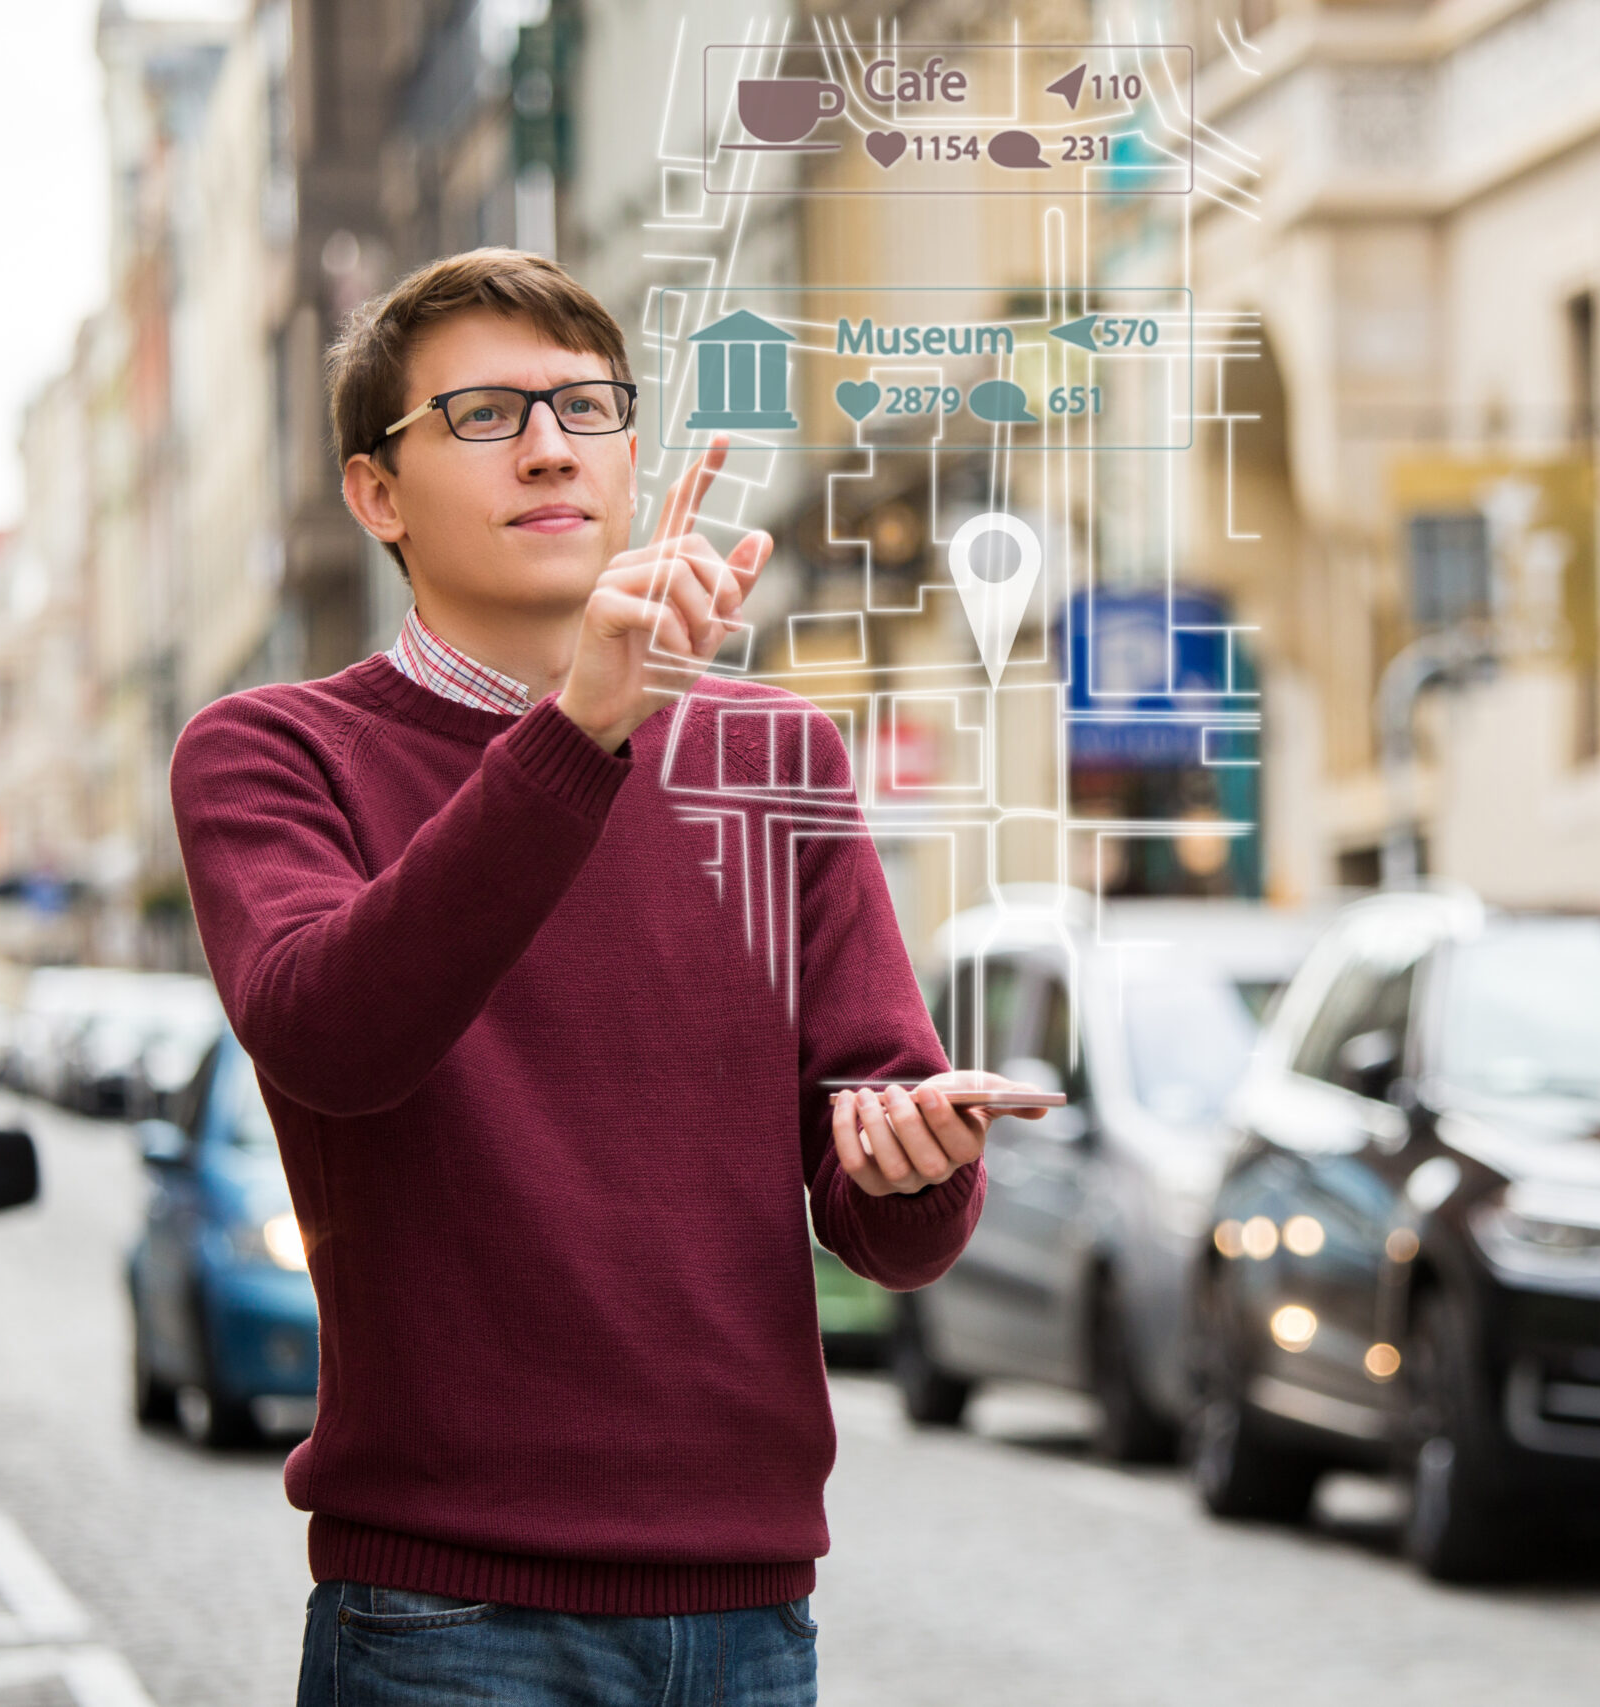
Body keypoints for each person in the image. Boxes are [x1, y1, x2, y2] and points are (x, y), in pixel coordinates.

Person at [170, 248, 1032, 1704]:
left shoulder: (775, 756)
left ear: (633, 453)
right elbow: (335, 1036)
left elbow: (890, 1217)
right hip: (448, 1617)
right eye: (488, 417)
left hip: (755, 1617)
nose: (553, 446)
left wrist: (911, 1161)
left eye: (585, 406)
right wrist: (582, 730)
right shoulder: (270, 753)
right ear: (377, 493)